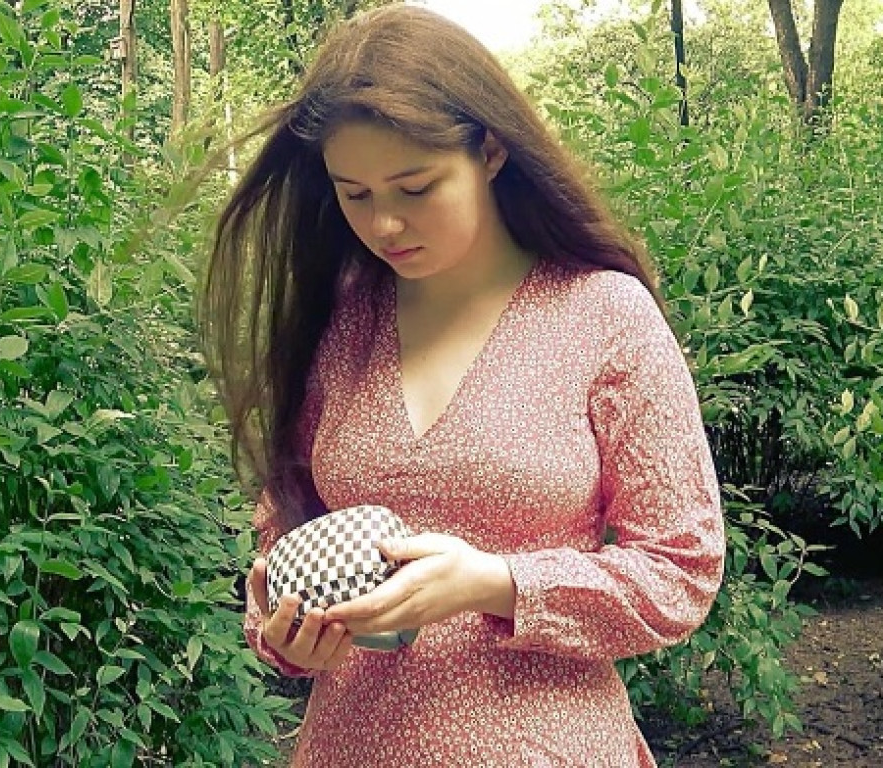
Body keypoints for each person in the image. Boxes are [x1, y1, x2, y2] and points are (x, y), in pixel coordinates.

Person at [200, 5, 725, 766]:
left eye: (415, 188)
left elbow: (680, 571)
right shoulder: (347, 323)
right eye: (355, 193)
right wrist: (286, 635)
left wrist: (497, 583)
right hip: (353, 746)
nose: (384, 224)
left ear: (490, 150)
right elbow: (288, 530)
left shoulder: (600, 315)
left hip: (543, 744)